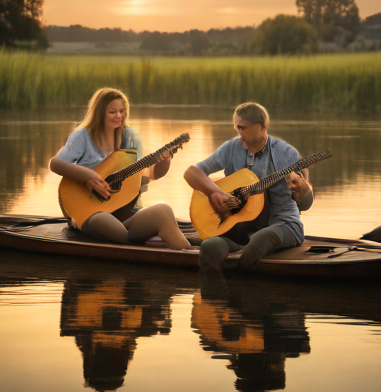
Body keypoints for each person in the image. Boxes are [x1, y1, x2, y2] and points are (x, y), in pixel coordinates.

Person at [49, 87, 192, 249]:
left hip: (125, 212)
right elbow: (56, 164)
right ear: (99, 112)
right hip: (89, 212)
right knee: (102, 219)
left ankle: (190, 253)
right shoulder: (82, 136)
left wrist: (164, 161)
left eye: (122, 111)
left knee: (163, 210)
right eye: (112, 112)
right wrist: (88, 176)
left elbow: (150, 175)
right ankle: (148, 243)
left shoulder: (130, 137)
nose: (119, 116)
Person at [184, 102, 313, 271]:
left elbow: (305, 205)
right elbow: (191, 173)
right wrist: (216, 193)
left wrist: (303, 189)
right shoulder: (231, 148)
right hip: (241, 227)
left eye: (243, 128)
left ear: (263, 127)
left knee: (261, 239)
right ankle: (220, 284)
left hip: (283, 225)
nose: (239, 132)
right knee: (209, 246)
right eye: (237, 127)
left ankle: (240, 273)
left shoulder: (286, 153)